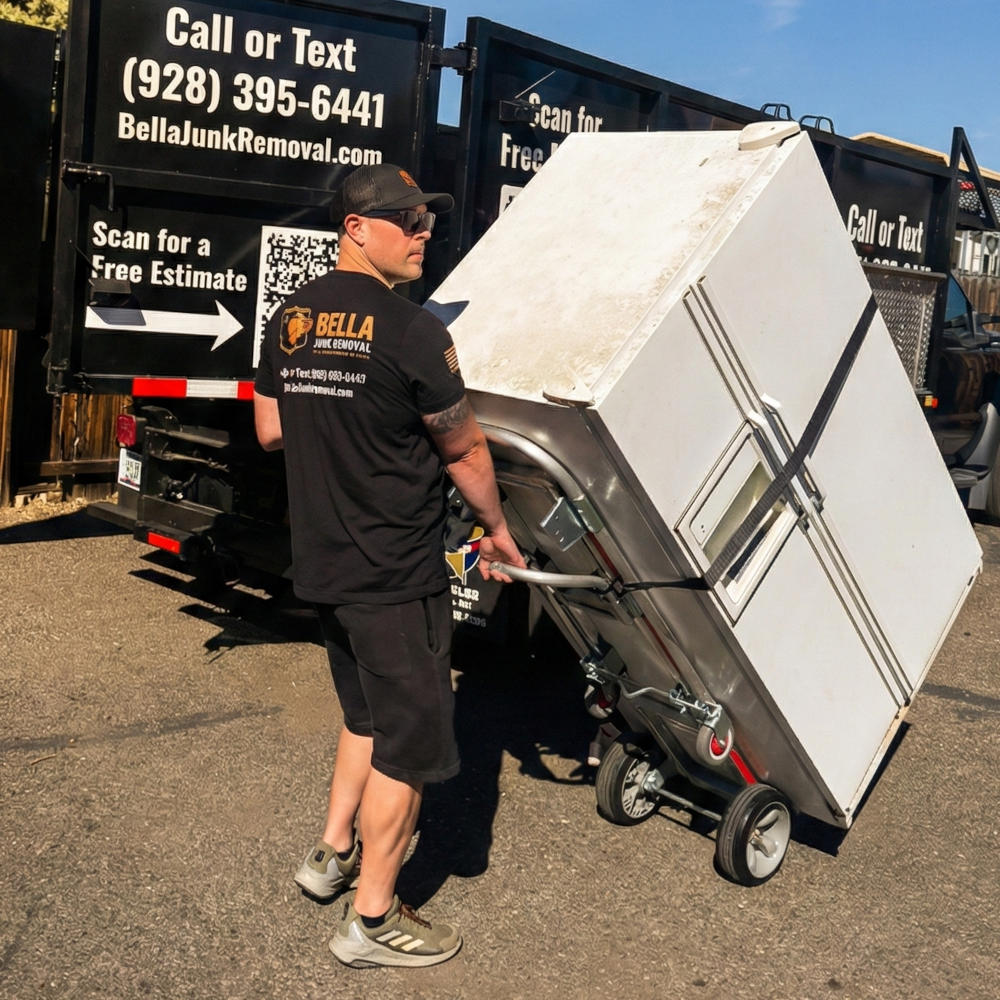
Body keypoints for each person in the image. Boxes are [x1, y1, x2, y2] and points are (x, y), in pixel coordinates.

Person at [253, 163, 525, 969]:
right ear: (355, 228)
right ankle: (372, 919)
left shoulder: (291, 316)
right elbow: (465, 450)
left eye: (426, 220)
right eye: (406, 220)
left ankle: (332, 853)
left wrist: (338, 420)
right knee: (407, 750)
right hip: (396, 576)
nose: (423, 233)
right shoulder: (414, 331)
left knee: (365, 717)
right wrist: (496, 528)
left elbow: (270, 429)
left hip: (324, 567)